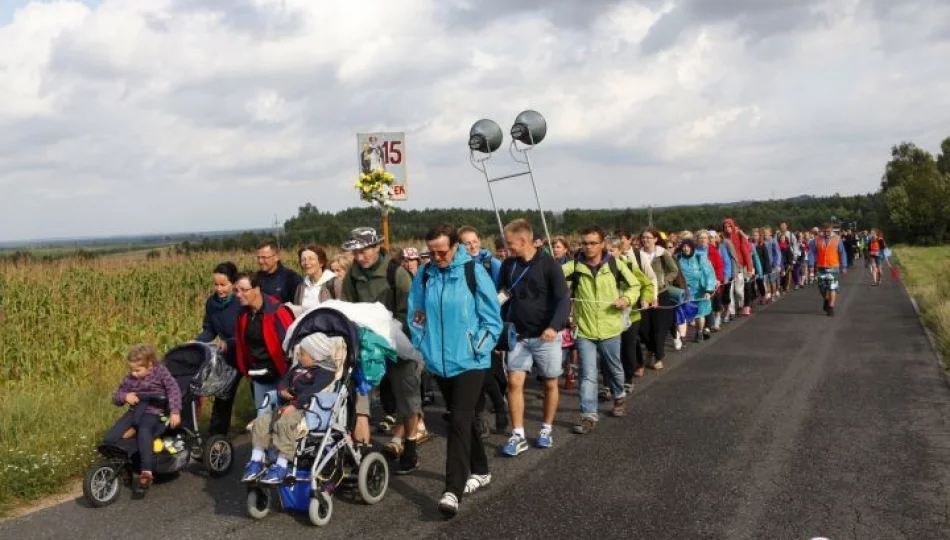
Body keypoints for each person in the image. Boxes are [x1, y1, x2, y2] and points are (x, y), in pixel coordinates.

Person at [408, 223, 502, 518]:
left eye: (442, 251)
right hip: (439, 362)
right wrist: (424, 345)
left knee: (458, 420)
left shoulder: (473, 272)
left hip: (471, 361)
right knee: (464, 420)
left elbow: (492, 320)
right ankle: (482, 470)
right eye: (432, 252)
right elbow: (416, 316)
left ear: (455, 247)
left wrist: (478, 347)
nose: (437, 257)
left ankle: (452, 490)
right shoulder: (424, 276)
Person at [340, 227, 425, 474]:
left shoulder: (396, 273)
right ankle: (362, 449)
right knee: (360, 399)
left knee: (407, 399)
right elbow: (348, 310)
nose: (359, 256)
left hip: (396, 342)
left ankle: (409, 446)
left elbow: (408, 312)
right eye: (355, 252)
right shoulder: (352, 277)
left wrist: (386, 333)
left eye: (364, 250)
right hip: (367, 347)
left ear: (377, 247)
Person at [499, 219, 571, 455]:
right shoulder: (508, 265)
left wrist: (554, 326)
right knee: (513, 383)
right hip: (518, 336)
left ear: (523, 240)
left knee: (550, 382)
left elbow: (563, 299)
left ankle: (546, 428)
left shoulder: (549, 264)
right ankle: (518, 434)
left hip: (546, 337)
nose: (507, 247)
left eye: (510, 243)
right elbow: (501, 297)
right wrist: (499, 331)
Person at [563, 226, 640, 434]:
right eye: (584, 243)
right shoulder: (574, 267)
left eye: (592, 243)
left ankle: (619, 396)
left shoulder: (616, 265)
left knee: (614, 368)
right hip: (585, 330)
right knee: (587, 373)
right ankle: (588, 415)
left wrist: (625, 299)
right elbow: (554, 278)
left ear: (602, 244)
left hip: (610, 328)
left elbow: (635, 286)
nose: (588, 247)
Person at [241, 333, 345, 483]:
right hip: (289, 405)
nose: (299, 356)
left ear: (315, 356)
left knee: (284, 424)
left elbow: (312, 391)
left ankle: (282, 465)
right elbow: (284, 380)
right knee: (261, 422)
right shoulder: (299, 367)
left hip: (308, 409)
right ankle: (256, 460)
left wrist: (295, 405)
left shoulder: (326, 372)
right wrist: (282, 390)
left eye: (302, 354)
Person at [107, 344, 182, 490]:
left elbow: (174, 390)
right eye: (131, 369)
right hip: (135, 411)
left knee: (144, 430)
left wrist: (175, 411)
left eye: (137, 370)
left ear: (150, 365)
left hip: (154, 411)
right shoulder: (131, 379)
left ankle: (146, 471)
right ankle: (121, 467)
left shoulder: (161, 372)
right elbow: (116, 396)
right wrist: (125, 396)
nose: (133, 373)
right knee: (112, 437)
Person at [234, 271, 296, 409]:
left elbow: (292, 346)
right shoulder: (242, 314)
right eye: (236, 291)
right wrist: (246, 370)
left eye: (244, 290)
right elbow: (242, 345)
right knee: (262, 416)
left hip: (282, 374)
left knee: (281, 419)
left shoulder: (277, 311)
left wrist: (289, 378)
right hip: (259, 375)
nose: (238, 295)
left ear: (256, 289)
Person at [195, 262, 242, 436]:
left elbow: (248, 331)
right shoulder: (212, 303)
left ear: (234, 283)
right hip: (229, 357)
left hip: (248, 355)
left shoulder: (241, 301)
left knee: (260, 397)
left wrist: (229, 341)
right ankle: (216, 438)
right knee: (223, 395)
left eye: (223, 285)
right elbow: (209, 329)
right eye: (216, 284)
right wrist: (197, 342)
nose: (219, 289)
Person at [606, 236, 655, 390]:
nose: (607, 254)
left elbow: (646, 284)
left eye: (611, 250)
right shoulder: (599, 268)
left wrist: (646, 299)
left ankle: (628, 378)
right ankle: (607, 384)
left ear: (619, 251)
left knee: (627, 348)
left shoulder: (628, 265)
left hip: (631, 315)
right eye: (605, 250)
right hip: (608, 316)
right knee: (608, 351)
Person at [637, 227, 680, 374]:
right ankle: (650, 349)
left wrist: (663, 281)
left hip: (661, 294)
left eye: (649, 237)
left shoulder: (662, 254)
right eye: (643, 237)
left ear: (655, 239)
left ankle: (658, 357)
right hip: (643, 294)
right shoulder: (637, 255)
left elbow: (674, 270)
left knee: (659, 328)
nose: (645, 240)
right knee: (643, 328)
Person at [676, 239, 716, 343]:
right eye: (684, 246)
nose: (686, 249)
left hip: (700, 290)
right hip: (685, 290)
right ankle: (682, 336)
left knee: (700, 313)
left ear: (692, 247)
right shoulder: (678, 258)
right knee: (683, 313)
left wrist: (709, 290)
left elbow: (709, 274)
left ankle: (699, 332)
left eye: (688, 246)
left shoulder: (700, 257)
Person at [809, 223, 848, 316]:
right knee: (822, 288)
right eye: (825, 231)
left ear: (832, 230)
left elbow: (842, 253)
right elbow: (812, 253)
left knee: (832, 287)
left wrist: (844, 266)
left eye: (829, 231)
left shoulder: (837, 239)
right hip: (821, 267)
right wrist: (811, 265)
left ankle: (831, 307)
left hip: (833, 266)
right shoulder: (817, 239)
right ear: (822, 230)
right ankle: (826, 300)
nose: (827, 233)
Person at [721, 218, 754, 317]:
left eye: (729, 226)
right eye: (725, 227)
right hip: (728, 268)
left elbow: (746, 253)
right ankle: (731, 312)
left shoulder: (739, 236)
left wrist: (749, 268)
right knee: (729, 290)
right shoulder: (723, 239)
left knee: (739, 291)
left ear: (733, 226)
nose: (727, 228)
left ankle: (741, 304)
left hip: (739, 266)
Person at [292, 245, 337, 311]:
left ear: (321, 262)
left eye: (311, 259)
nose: (306, 263)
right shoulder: (301, 287)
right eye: (303, 260)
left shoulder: (335, 283)